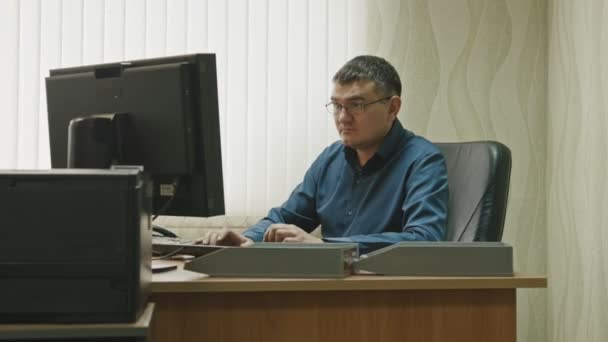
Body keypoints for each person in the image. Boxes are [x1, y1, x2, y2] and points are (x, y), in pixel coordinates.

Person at [198, 55, 449, 253]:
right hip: (329, 289)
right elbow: (286, 218)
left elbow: (425, 239)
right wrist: (245, 239)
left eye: (356, 105)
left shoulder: (423, 160)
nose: (342, 117)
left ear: (392, 108)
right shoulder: (331, 158)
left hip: (383, 296)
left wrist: (328, 248)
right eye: (337, 105)